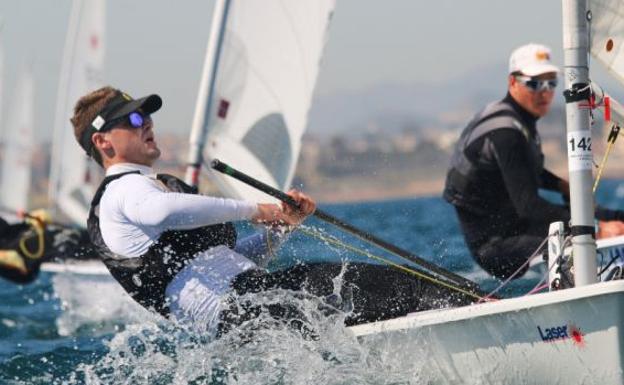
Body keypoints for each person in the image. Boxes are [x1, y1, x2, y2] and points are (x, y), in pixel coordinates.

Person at [72, 86, 474, 336]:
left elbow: (238, 260)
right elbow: (162, 212)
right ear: (104, 142)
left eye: (148, 115)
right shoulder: (121, 194)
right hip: (241, 310)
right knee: (392, 287)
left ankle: (474, 310)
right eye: (134, 118)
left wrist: (282, 225)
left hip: (254, 300)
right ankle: (485, 311)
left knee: (378, 288)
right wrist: (255, 209)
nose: (148, 122)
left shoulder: (150, 189)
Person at [443, 43, 624, 280]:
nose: (545, 92)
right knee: (601, 233)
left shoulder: (518, 120)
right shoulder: (506, 133)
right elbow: (528, 206)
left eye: (551, 83)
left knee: (610, 223)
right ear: (512, 83)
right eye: (534, 83)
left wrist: (562, 186)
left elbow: (525, 172)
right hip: (498, 247)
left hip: (518, 227)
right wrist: (596, 229)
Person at [0, 210, 96, 283]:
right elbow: (26, 277)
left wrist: (34, 218)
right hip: (67, 251)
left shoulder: (16, 229)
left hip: (74, 236)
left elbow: (39, 219)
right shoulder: (6, 256)